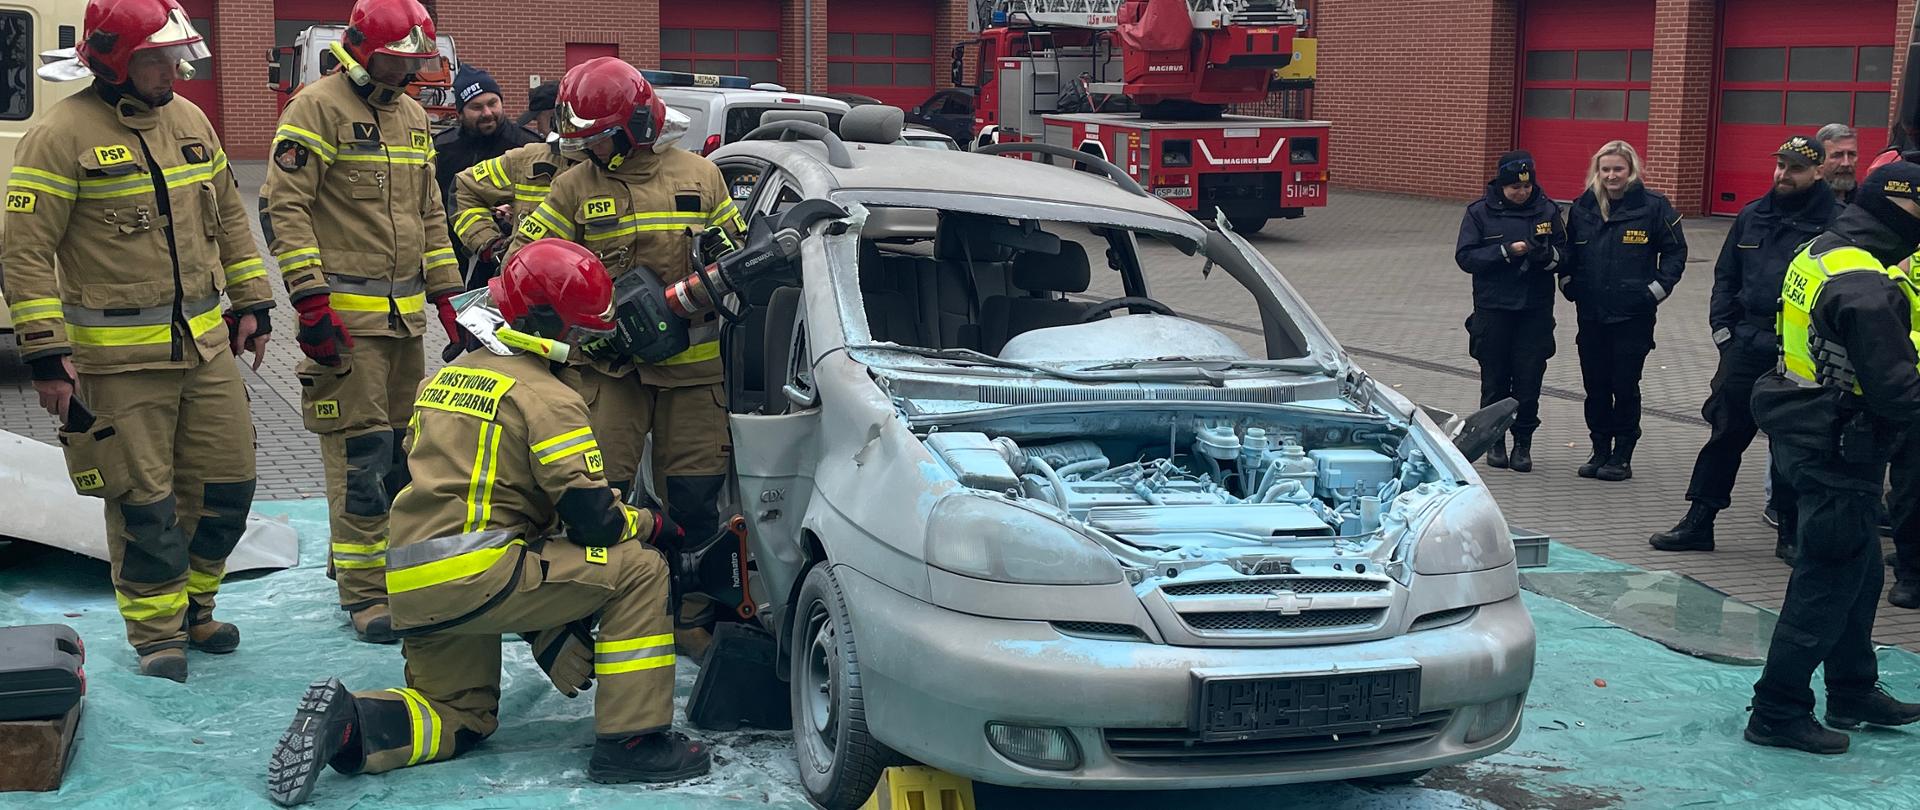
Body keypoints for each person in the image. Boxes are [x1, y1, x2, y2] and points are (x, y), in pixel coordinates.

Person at [263, 240, 711, 807]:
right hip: (483, 572)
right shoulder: (548, 398)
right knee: (641, 570)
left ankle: (352, 724)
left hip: (412, 582)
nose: (583, 345)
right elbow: (593, 523)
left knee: (459, 715)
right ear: (553, 326)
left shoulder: (445, 379)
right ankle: (633, 742)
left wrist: (547, 630)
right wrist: (652, 526)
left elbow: (483, 502)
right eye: (580, 332)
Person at [0, 0, 274, 681]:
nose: (174, 69)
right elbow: (24, 253)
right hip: (120, 364)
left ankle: (198, 608)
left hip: (206, 349)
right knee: (144, 505)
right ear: (117, 60)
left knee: (228, 486)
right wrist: (44, 353)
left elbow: (229, 222)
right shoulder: (60, 134)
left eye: (177, 55)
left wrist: (255, 305)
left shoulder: (189, 120)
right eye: (158, 58)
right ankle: (158, 634)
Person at [505, 58, 745, 650]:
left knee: (694, 500)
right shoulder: (572, 185)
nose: (591, 150)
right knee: (595, 496)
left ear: (638, 123)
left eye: (602, 137)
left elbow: (735, 258)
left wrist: (702, 290)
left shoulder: (701, 177)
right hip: (607, 370)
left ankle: (689, 617)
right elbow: (527, 263)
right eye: (582, 140)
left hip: (692, 375)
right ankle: (589, 611)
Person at [260, 0, 464, 643]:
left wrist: (448, 298)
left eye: (414, 63)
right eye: (397, 61)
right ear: (359, 51)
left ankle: (381, 570)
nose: (407, 75)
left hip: (404, 327)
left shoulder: (410, 116)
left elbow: (431, 211)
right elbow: (283, 209)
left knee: (402, 458)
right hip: (344, 326)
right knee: (361, 458)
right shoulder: (315, 108)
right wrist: (309, 302)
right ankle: (366, 594)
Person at [1746, 161, 1920, 754]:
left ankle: (1852, 689)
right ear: (1904, 213)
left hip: (1806, 427)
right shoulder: (1867, 287)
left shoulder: (1825, 249)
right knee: (1826, 579)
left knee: (1861, 568)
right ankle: (1777, 708)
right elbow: (1898, 391)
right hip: (1840, 444)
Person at [1650, 136, 1836, 556]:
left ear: (1818, 171)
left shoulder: (1835, 222)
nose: (1783, 174)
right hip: (1747, 344)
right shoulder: (1753, 215)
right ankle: (1699, 521)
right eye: (1780, 165)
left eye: (1795, 168)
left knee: (1789, 444)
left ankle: (1789, 531)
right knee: (1725, 434)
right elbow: (1726, 277)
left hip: (1799, 352)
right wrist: (1724, 332)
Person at [1559, 140, 1686, 481]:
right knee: (1596, 386)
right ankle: (1600, 448)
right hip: (1592, 314)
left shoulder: (1653, 207)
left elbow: (1675, 254)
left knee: (1624, 385)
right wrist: (1568, 284)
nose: (1612, 175)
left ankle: (1622, 454)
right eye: (1606, 169)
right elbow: (1568, 252)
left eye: (1618, 169)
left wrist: (1654, 292)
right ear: (1597, 172)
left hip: (1633, 316)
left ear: (1631, 171)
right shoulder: (1583, 207)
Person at [1454, 150, 1565, 472]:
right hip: (1494, 309)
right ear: (1501, 186)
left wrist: (1549, 258)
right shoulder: (1479, 213)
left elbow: (1567, 254)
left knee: (1529, 382)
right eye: (1515, 188)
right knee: (1495, 381)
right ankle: (1495, 442)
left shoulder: (1547, 210)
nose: (1522, 193)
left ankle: (1523, 444)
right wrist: (1505, 251)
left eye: (1526, 187)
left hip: (1534, 311)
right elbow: (1466, 258)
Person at [448, 136, 579, 296]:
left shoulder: (612, 172)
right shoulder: (526, 160)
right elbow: (465, 187)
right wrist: (489, 244)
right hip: (526, 292)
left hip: (596, 295)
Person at [433, 64, 539, 208]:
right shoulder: (442, 149)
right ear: (460, 114)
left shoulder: (529, 147)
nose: (487, 113)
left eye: (492, 103)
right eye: (477, 107)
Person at [1816, 123, 1860, 205]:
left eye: (1851, 154)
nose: (1846, 163)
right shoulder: (1805, 202)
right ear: (1820, 159)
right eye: (1837, 155)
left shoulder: (1865, 202)